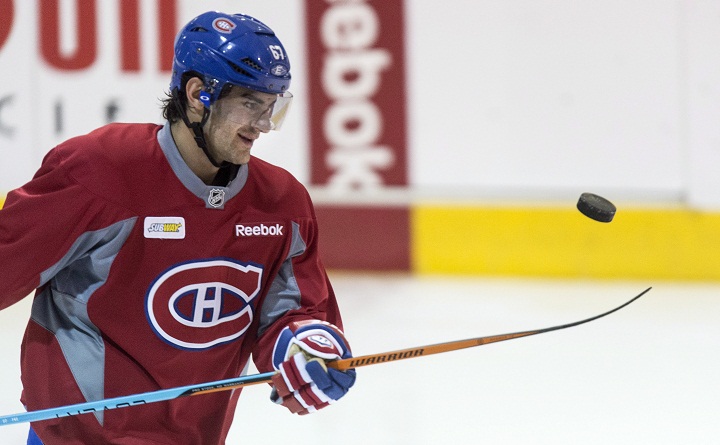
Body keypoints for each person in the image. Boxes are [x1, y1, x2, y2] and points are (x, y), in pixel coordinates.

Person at [0, 10, 356, 445]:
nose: (264, 124)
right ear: (197, 94)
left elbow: (297, 313)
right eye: (250, 103)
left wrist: (305, 348)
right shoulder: (100, 171)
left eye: (272, 106)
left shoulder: (282, 205)